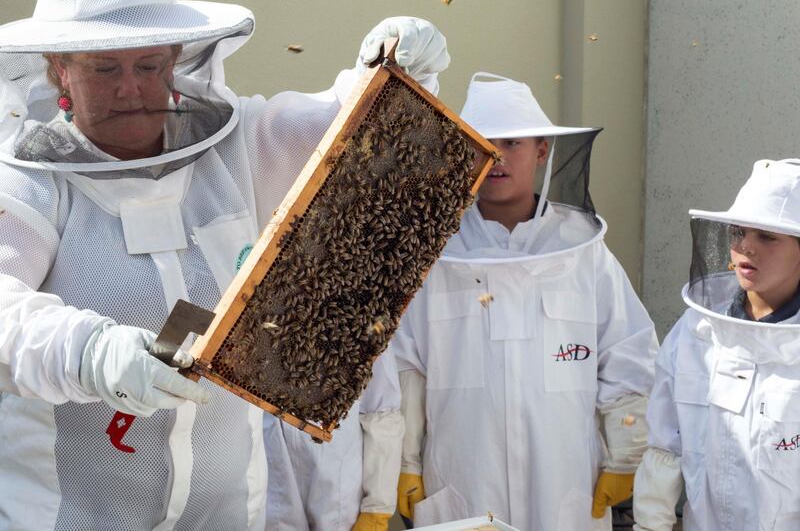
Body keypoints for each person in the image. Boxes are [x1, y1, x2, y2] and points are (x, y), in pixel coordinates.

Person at [0, 0, 448, 529]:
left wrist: (394, 70)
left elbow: (347, 124)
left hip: (227, 509)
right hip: (69, 514)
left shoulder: (238, 147)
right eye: (104, 68)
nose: (129, 88)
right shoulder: (29, 183)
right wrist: (88, 351)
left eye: (148, 66)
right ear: (60, 71)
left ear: (175, 62)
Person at [390, 72, 658, 530]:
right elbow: (404, 367)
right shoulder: (435, 250)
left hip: (565, 479)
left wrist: (626, 453)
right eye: (482, 143)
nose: (495, 156)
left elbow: (627, 350)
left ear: (541, 151)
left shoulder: (582, 251)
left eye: (512, 142)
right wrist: (402, 460)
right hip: (462, 476)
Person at [633, 159, 800, 531]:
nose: (745, 247)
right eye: (740, 232)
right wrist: (650, 524)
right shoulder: (696, 331)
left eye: (767, 236)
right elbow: (665, 443)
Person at [263, 349, 402, 531]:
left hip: (341, 500)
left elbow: (381, 409)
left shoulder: (365, 323)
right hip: (268, 486)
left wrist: (378, 504)